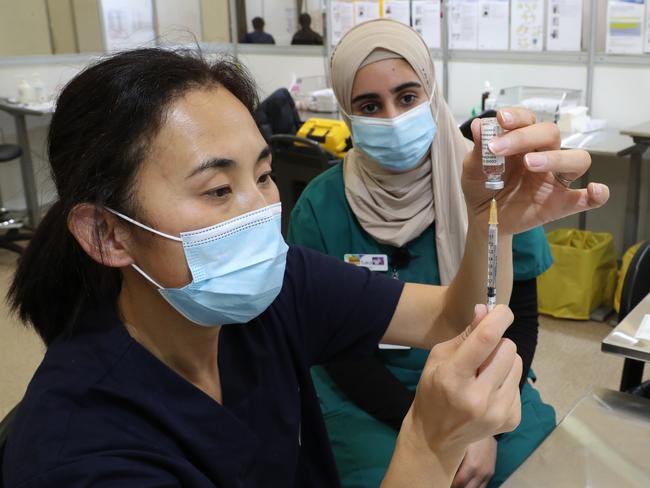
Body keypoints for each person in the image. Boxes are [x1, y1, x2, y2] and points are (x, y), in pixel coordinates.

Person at [1, 47, 606, 487]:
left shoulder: (278, 289)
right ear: (108, 233)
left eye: (263, 175)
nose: (261, 212)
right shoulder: (82, 456)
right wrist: (427, 441)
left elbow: (449, 315)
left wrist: (484, 219)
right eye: (217, 189)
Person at [287, 19, 569, 487]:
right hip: (371, 399)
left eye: (407, 96)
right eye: (369, 105)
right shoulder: (320, 206)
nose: (394, 118)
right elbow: (334, 348)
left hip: (487, 375)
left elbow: (521, 317)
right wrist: (436, 430)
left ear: (431, 92)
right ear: (346, 114)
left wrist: (481, 422)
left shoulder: (491, 184)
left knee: (543, 472)